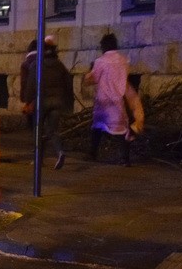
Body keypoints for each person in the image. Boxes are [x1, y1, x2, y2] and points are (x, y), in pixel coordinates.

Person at [21, 36, 74, 169]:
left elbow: (31, 85)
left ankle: (39, 159)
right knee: (52, 130)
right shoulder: (59, 65)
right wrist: (68, 103)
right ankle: (60, 152)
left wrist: (28, 101)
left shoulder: (37, 65)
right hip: (57, 102)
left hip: (42, 103)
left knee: (38, 130)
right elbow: (68, 83)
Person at [85, 33, 131, 166]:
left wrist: (89, 72)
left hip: (103, 100)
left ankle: (92, 153)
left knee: (97, 127)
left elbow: (92, 78)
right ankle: (125, 158)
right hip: (118, 99)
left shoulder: (100, 61)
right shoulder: (124, 60)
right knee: (122, 129)